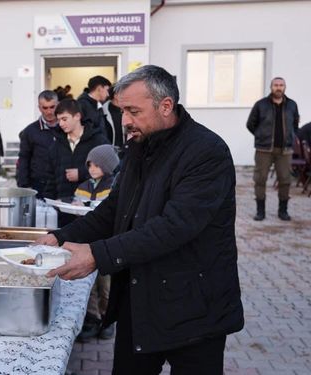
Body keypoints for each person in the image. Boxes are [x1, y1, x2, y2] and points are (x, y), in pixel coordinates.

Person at [36, 65, 244, 375]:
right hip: (141, 298)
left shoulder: (206, 152)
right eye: (121, 111)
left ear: (165, 106)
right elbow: (114, 211)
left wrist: (97, 255)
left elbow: (174, 227)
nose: (125, 121)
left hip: (195, 308)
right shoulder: (139, 147)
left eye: (133, 110)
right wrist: (59, 236)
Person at [73, 144, 120, 342]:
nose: (92, 169)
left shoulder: (113, 187)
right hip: (88, 243)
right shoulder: (83, 187)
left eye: (97, 165)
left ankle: (107, 320)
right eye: (89, 164)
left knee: (106, 284)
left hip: (107, 243)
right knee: (89, 286)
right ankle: (92, 318)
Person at [43, 98, 107, 227]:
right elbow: (50, 176)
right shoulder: (56, 145)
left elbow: (110, 170)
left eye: (64, 119)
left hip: (91, 210)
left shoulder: (98, 141)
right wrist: (50, 201)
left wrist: (82, 173)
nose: (60, 123)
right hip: (63, 211)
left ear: (77, 116)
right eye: (59, 119)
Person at [247, 77, 300, 221]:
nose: (278, 87)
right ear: (271, 87)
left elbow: (295, 124)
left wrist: (290, 136)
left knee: (285, 180)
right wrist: (260, 136)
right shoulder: (261, 105)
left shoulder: (292, 105)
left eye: (281, 85)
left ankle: (283, 211)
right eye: (276, 85)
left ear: (285, 87)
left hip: (285, 150)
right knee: (260, 179)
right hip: (264, 150)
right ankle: (260, 211)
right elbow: (251, 124)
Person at [17, 90, 59, 196]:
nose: (49, 111)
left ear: (58, 105)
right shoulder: (30, 131)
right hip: (39, 185)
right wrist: (24, 185)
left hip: (64, 184)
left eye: (52, 107)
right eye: (45, 108)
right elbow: (23, 158)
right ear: (39, 108)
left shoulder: (67, 128)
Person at [77, 75, 110, 144]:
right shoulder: (82, 105)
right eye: (107, 90)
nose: (108, 94)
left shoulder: (98, 105)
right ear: (99, 88)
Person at [100, 87, 126, 155]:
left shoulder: (126, 111)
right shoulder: (103, 112)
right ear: (115, 95)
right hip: (109, 153)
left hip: (124, 152)